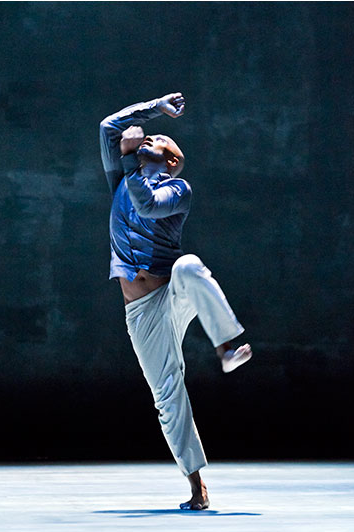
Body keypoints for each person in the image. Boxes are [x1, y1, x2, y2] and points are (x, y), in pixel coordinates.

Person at [100, 92, 252, 510]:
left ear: (172, 161)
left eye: (161, 139)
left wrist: (133, 158)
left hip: (172, 294)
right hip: (141, 312)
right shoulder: (122, 178)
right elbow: (107, 127)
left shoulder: (178, 189)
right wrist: (157, 108)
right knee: (166, 395)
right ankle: (197, 487)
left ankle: (228, 345)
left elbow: (148, 206)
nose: (153, 137)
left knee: (188, 264)